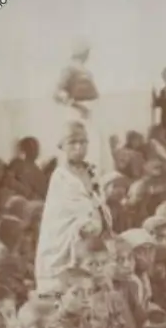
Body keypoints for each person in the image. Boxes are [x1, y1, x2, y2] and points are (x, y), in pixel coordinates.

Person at [35, 120, 111, 293]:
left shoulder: (91, 171)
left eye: (83, 142)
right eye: (72, 142)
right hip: (66, 246)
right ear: (62, 146)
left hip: (93, 243)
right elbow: (63, 215)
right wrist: (85, 226)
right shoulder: (61, 177)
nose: (79, 147)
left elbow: (98, 204)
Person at [53, 42, 114, 173]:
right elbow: (57, 93)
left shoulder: (84, 70)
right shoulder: (69, 69)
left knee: (96, 146)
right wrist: (77, 106)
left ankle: (96, 175)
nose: (87, 54)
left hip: (91, 112)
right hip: (79, 113)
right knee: (80, 142)